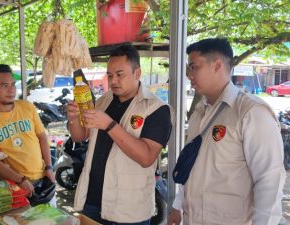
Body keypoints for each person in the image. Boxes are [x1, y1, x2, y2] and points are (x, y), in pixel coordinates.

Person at [168, 38, 286, 225]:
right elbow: (190, 164)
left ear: (216, 65)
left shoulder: (250, 112)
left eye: (193, 67)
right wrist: (177, 204)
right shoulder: (199, 111)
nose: (189, 75)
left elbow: (269, 182)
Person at [67, 45, 172, 224]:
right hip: (92, 201)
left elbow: (146, 157)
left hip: (127, 209)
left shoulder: (156, 109)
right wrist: (74, 118)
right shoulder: (104, 100)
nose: (113, 80)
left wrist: (109, 125)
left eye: (120, 74)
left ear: (137, 73)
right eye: (109, 75)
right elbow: (80, 136)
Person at [0, 64, 55, 196]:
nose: (12, 90)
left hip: (44, 176)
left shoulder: (27, 107)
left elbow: (42, 137)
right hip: (16, 185)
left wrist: (49, 167)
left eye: (13, 84)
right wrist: (20, 180)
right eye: (5, 86)